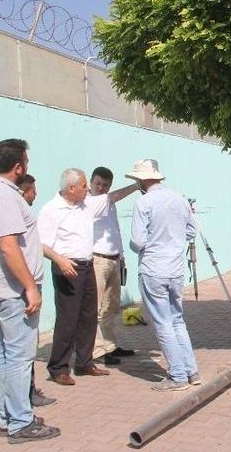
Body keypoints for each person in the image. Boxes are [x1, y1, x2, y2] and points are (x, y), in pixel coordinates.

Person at [0, 139, 60, 444]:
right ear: (18, 166)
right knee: (20, 357)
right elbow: (9, 247)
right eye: (27, 161)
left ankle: (10, 416)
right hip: (12, 291)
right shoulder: (6, 197)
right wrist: (29, 288)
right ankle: (21, 422)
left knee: (6, 354)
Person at [38, 168, 137, 386]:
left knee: (89, 317)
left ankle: (84, 362)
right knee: (68, 320)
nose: (88, 190)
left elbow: (112, 197)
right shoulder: (51, 210)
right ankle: (58, 367)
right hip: (67, 267)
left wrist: (137, 185)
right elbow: (42, 244)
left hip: (87, 265)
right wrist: (60, 260)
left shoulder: (86, 205)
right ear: (71, 188)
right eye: (84, 186)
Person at [127, 159, 200, 391]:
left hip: (153, 268)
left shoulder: (143, 202)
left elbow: (137, 242)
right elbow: (192, 230)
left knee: (163, 323)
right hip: (175, 269)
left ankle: (177, 375)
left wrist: (152, 243)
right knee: (177, 320)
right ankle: (191, 370)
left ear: (142, 180)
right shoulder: (179, 198)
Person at [13, 173, 57, 407]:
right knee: (22, 348)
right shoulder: (17, 213)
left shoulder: (19, 212)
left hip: (26, 283)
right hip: (23, 286)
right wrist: (30, 286)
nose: (35, 193)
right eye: (31, 190)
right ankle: (23, 399)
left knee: (20, 348)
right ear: (23, 191)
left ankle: (25, 394)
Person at [89, 167, 136, 365]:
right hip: (97, 260)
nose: (101, 188)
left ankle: (110, 345)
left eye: (105, 185)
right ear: (91, 182)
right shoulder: (88, 201)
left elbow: (114, 230)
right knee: (96, 307)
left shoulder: (109, 203)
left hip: (113, 259)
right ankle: (97, 351)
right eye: (97, 184)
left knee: (110, 307)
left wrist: (122, 256)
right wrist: (135, 186)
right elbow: (113, 197)